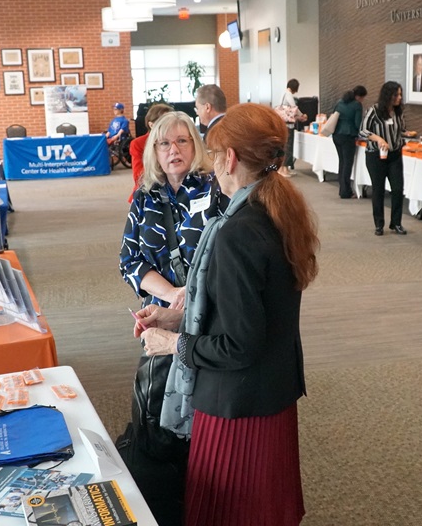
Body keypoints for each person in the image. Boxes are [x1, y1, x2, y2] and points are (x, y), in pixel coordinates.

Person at [135, 103, 319, 526]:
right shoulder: (275, 209)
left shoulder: (238, 231)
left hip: (239, 405)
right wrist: (175, 319)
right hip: (269, 391)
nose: (212, 164)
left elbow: (239, 343)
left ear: (231, 158)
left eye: (214, 155)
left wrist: (173, 345)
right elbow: (254, 312)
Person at [118, 110, 214, 525]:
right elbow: (129, 260)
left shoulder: (213, 191)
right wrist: (172, 293)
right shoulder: (145, 195)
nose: (173, 150)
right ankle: (163, 493)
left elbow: (222, 260)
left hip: (208, 315)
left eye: (182, 141)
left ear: (195, 147)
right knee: (156, 406)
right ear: (154, 152)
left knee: (199, 411)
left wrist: (190, 296)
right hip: (160, 312)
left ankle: (202, 488)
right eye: (164, 143)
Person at [360, 81, 412, 236]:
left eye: (400, 94)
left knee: (397, 189)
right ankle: (379, 224)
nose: (399, 98)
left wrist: (406, 134)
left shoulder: (398, 112)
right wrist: (379, 139)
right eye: (396, 95)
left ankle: (396, 223)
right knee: (378, 190)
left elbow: (400, 130)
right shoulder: (374, 111)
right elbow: (363, 131)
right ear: (388, 95)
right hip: (376, 155)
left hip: (395, 155)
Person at [128, 102, 174, 202]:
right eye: (164, 122)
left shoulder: (176, 141)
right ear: (151, 125)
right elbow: (138, 176)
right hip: (148, 191)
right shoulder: (138, 144)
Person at [332, 85, 368, 199]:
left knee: (342, 162)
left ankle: (342, 188)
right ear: (359, 96)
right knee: (348, 164)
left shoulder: (340, 102)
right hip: (348, 136)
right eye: (363, 98)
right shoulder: (357, 105)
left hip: (336, 135)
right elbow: (358, 124)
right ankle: (345, 191)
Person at [278, 78, 308, 176]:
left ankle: (283, 169)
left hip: (282, 123)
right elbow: (294, 107)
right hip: (288, 125)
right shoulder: (289, 94)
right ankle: (284, 169)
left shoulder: (283, 93)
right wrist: (302, 115)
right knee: (288, 146)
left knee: (284, 146)